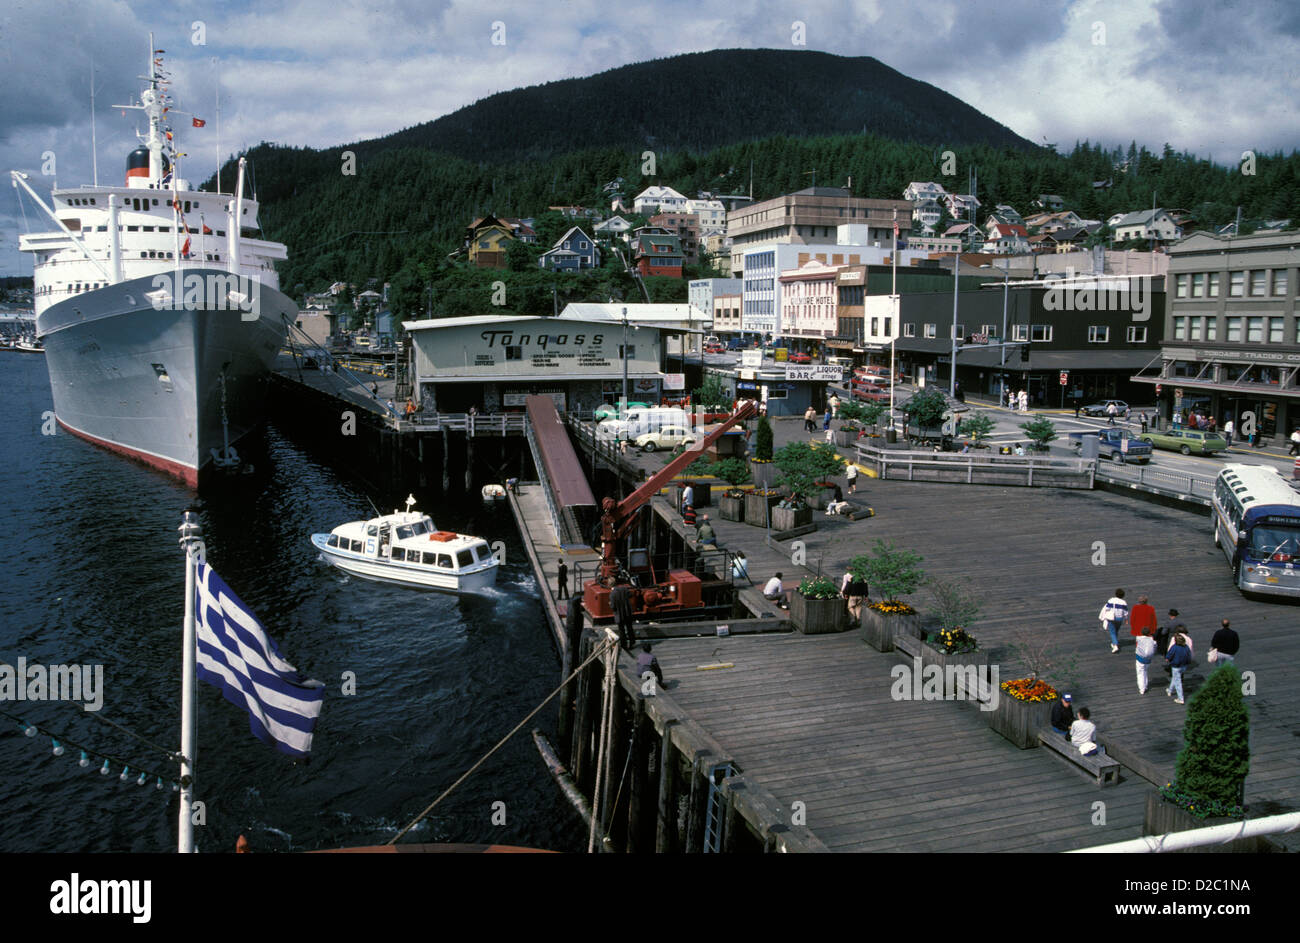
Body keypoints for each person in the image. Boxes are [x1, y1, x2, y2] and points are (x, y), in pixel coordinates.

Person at [1099, 588, 1129, 654]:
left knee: (1112, 632)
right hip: (1119, 619)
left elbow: (1107, 608)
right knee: (1116, 631)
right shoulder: (1124, 602)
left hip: (1112, 618)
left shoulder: (1111, 600)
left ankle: (1115, 646)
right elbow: (1125, 612)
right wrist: (1126, 619)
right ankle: (1114, 643)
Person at [609, 580, 636, 650]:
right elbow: (630, 595)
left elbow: (613, 607)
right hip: (627, 613)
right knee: (630, 628)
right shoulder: (624, 589)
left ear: (609, 585)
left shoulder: (612, 594)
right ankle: (632, 643)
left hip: (619, 615)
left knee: (622, 630)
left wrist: (610, 604)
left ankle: (624, 645)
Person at [1166, 632, 1192, 704]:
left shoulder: (1174, 647)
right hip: (1184, 666)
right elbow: (1189, 656)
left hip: (1176, 666)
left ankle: (1181, 698)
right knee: (1175, 678)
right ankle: (1170, 690)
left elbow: (1169, 655)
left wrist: (1167, 659)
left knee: (1178, 682)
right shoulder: (1186, 647)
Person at [1135, 625, 1157, 694]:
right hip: (1148, 659)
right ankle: (1145, 685)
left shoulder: (1138, 638)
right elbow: (1155, 646)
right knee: (1145, 671)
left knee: (1140, 673)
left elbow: (1137, 640)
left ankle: (1142, 689)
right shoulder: (1153, 641)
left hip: (1140, 658)